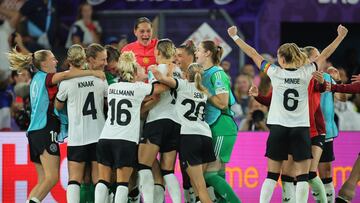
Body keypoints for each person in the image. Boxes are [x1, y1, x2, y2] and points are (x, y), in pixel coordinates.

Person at [227, 24, 348, 203]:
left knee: (271, 175)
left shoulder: (275, 72)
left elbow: (253, 53)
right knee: (303, 176)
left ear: (282, 59)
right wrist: (340, 37)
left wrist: (235, 37)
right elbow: (325, 55)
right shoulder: (308, 72)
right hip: (300, 129)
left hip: (278, 129)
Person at [7, 48, 104, 203]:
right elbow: (67, 74)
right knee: (52, 178)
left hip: (34, 133)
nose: (57, 61)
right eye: (53, 59)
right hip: (45, 129)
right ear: (44, 63)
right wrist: (92, 73)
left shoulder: (35, 79)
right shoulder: (46, 77)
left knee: (43, 180)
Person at [94, 51, 160, 203]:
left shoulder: (112, 88)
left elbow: (133, 110)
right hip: (125, 141)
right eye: (141, 69)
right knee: (122, 183)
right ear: (135, 73)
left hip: (105, 138)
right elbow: (160, 90)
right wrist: (154, 74)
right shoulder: (139, 88)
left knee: (103, 181)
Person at [150, 63, 216, 203]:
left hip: (189, 137)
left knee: (200, 188)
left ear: (186, 75)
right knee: (198, 187)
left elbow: (160, 78)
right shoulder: (204, 92)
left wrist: (156, 68)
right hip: (206, 136)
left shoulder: (183, 84)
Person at [54, 45, 107, 203]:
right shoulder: (99, 78)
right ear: (84, 59)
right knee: (99, 179)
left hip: (77, 137)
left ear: (69, 60)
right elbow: (108, 103)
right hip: (98, 134)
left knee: (75, 179)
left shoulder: (66, 84)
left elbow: (58, 106)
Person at [137, 39, 182, 203]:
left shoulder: (158, 69)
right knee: (167, 171)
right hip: (175, 122)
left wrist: (139, 101)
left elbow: (155, 93)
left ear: (158, 52)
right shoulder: (178, 71)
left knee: (143, 165)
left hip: (157, 120)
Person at [195, 40, 240, 203]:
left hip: (221, 125)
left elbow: (222, 102)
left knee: (209, 174)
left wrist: (204, 91)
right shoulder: (203, 73)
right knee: (219, 174)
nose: (196, 53)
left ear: (207, 53)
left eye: (198, 50)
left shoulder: (217, 74)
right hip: (214, 126)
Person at [174, 40, 197, 203]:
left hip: (191, 132)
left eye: (180, 55)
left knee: (197, 175)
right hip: (179, 129)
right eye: (175, 55)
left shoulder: (199, 75)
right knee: (184, 171)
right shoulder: (176, 72)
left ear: (191, 57)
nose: (176, 59)